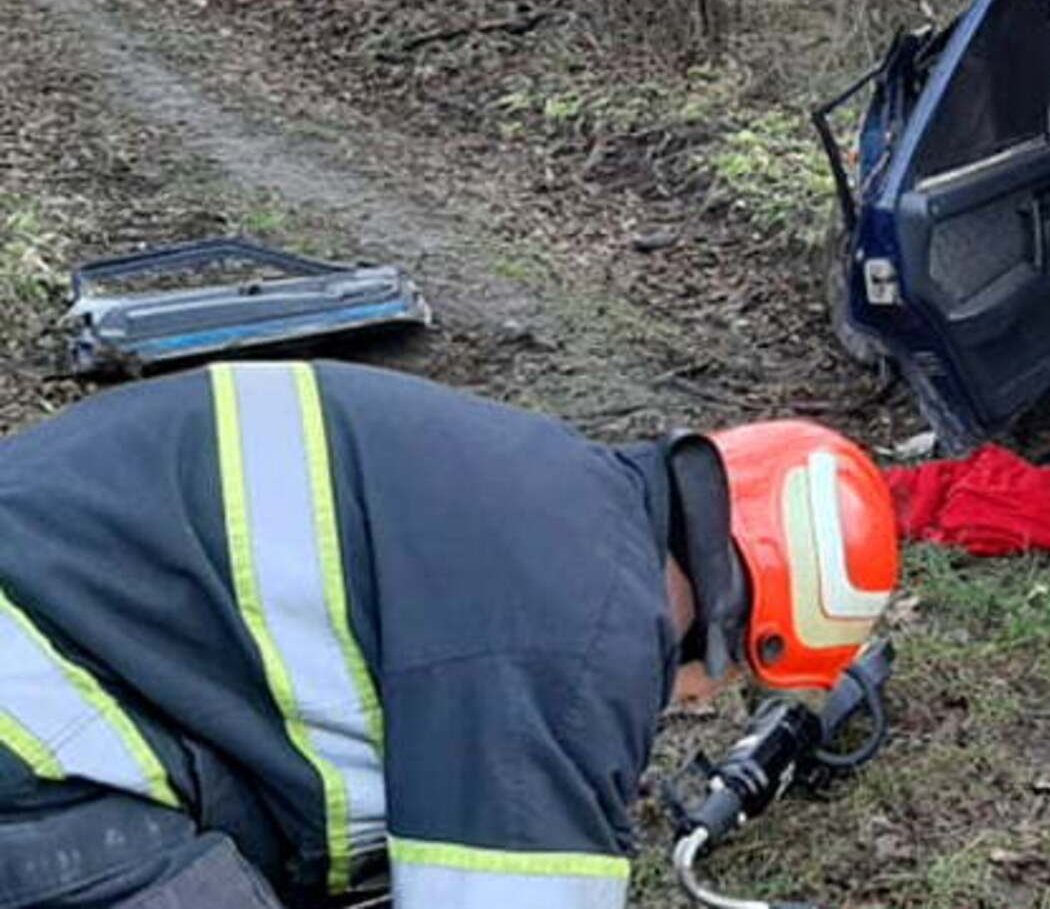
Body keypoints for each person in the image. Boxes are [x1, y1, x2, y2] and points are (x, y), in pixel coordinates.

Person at [0, 360, 900, 908]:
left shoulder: (550, 501)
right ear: (743, 630)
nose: (699, 700)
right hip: (37, 745)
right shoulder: (581, 643)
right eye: (732, 679)